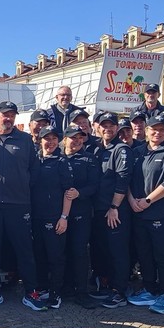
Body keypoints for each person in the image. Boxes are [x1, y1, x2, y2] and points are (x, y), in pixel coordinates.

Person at [0, 101, 47, 310]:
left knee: (25, 249)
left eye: (12, 115)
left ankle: (31, 291)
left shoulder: (25, 140)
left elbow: (34, 172)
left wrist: (21, 187)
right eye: (4, 114)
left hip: (19, 204)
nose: (8, 118)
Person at [127, 114, 164, 314]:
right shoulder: (137, 151)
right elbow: (128, 179)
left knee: (163, 256)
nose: (157, 133)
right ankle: (149, 289)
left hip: (161, 214)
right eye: (154, 129)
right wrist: (132, 199)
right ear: (147, 130)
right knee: (144, 255)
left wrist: (148, 200)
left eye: (161, 129)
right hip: (139, 212)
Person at [93, 112, 134, 308]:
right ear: (97, 127)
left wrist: (114, 207)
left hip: (115, 210)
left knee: (118, 251)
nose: (107, 128)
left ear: (117, 128)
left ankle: (120, 290)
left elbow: (122, 180)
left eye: (111, 125)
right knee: (103, 249)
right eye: (104, 125)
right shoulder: (97, 148)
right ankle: (107, 285)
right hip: (99, 209)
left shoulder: (122, 149)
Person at [31, 126, 74, 309]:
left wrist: (64, 216)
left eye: (54, 139)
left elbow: (69, 192)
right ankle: (43, 288)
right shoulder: (35, 160)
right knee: (39, 255)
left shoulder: (62, 162)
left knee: (55, 257)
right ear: (39, 140)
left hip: (55, 217)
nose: (50, 142)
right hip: (35, 217)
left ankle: (56, 292)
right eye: (46, 138)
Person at [63, 125, 100, 308]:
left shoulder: (89, 158)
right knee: (62, 251)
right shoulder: (57, 157)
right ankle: (66, 287)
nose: (77, 141)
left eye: (80, 137)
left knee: (79, 251)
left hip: (81, 212)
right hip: (60, 214)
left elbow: (94, 185)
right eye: (73, 137)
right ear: (65, 139)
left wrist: (80, 193)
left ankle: (82, 291)